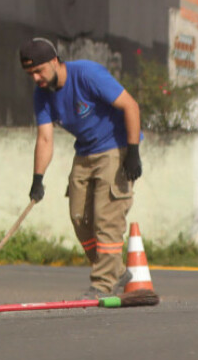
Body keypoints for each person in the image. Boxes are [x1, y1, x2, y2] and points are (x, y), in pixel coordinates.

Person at [20, 38, 143, 299]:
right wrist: (37, 179)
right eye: (31, 74)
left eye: (39, 70)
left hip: (115, 148)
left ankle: (102, 284)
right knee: (80, 218)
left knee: (106, 219)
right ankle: (117, 271)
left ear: (55, 61)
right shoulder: (42, 95)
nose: (36, 78)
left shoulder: (87, 74)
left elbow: (130, 105)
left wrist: (133, 152)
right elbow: (45, 138)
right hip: (85, 152)